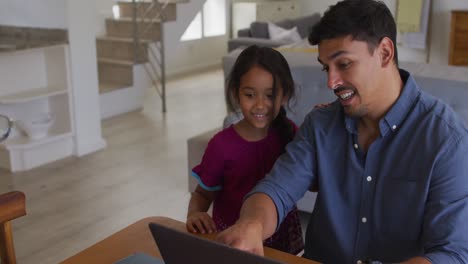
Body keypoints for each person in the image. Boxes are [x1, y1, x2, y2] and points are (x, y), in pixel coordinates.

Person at [217, 0, 468, 263]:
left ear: (384, 53)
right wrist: (252, 224)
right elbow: (276, 188)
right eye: (327, 67)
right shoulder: (320, 125)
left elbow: (452, 254)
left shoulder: (447, 141)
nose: (331, 82)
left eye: (344, 64)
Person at [186, 45, 304, 255]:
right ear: (236, 94)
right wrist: (195, 214)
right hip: (236, 244)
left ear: (284, 95)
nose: (260, 105)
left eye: (269, 95)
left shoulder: (291, 134)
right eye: (250, 95)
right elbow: (202, 194)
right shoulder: (221, 145)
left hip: (281, 243)